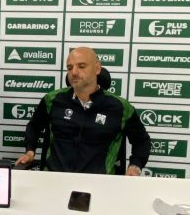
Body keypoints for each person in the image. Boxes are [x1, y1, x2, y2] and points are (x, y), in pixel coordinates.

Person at [15, 47, 150, 175]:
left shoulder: (120, 107)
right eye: (70, 68)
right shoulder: (52, 99)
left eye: (81, 66)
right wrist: (30, 151)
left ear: (97, 68)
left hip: (100, 182)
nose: (74, 72)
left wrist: (135, 165)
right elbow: (34, 126)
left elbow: (141, 140)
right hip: (55, 178)